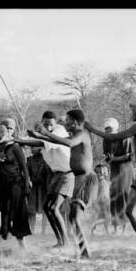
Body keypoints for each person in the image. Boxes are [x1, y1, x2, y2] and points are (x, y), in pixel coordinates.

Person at [86, 97, 136, 255]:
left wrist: (90, 128)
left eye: (134, 111)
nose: (132, 113)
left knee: (130, 211)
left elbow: (113, 137)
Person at [31, 109, 97, 258]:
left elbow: (69, 143)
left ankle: (85, 252)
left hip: (86, 179)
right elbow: (54, 141)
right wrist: (37, 136)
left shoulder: (81, 134)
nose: (65, 124)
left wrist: (46, 133)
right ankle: (84, 251)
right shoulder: (74, 134)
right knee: (73, 217)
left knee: (74, 217)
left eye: (67, 122)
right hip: (78, 179)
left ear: (74, 122)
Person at [14, 111, 74, 248]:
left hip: (67, 174)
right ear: (42, 122)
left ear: (56, 124)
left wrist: (21, 140)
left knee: (53, 207)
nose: (49, 127)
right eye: (46, 124)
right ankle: (60, 241)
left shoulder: (59, 131)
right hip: (56, 174)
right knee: (47, 207)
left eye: (51, 124)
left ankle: (65, 242)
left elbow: (42, 142)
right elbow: (36, 140)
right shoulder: (44, 133)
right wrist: (21, 137)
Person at [0, 124, 32, 249]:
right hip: (4, 183)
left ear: (4, 135)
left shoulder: (15, 147)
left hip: (16, 183)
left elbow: (24, 166)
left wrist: (26, 184)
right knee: (5, 211)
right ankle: (5, 240)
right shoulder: (1, 147)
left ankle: (22, 244)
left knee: (18, 212)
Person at [102, 117, 134, 234]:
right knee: (114, 197)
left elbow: (128, 156)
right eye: (106, 129)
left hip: (125, 170)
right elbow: (107, 156)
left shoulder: (124, 137)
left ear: (115, 128)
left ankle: (125, 228)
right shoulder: (106, 140)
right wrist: (109, 159)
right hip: (114, 170)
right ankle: (115, 227)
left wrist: (113, 158)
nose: (107, 131)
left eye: (109, 128)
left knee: (124, 197)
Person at [26, 146, 51, 234]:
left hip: (43, 188)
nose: (32, 149)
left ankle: (43, 231)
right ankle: (31, 230)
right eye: (32, 148)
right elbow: (26, 173)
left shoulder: (46, 160)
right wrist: (28, 182)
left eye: (34, 148)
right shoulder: (29, 160)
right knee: (31, 210)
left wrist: (48, 188)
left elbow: (48, 174)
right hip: (33, 188)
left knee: (45, 210)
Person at [90, 164, 112, 235]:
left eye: (99, 172)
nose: (97, 174)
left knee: (105, 217)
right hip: (99, 202)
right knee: (96, 217)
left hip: (105, 202)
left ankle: (107, 230)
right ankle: (93, 231)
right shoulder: (96, 183)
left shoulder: (105, 183)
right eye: (96, 172)